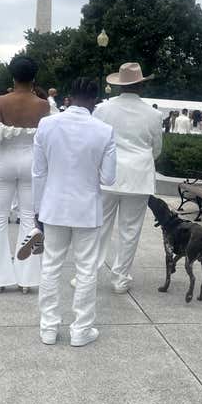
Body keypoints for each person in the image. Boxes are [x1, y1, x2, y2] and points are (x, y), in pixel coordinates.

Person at [31, 78, 117, 347]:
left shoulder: (46, 124)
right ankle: (81, 330)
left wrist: (37, 209)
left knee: (51, 266)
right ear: (95, 100)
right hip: (87, 209)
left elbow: (38, 173)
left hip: (53, 207)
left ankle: (48, 328)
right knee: (86, 269)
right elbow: (109, 178)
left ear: (69, 97)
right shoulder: (104, 130)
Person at [0, 55, 50, 292]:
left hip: (4, 160)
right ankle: (27, 280)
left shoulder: (0, 102)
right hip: (31, 161)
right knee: (28, 217)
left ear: (13, 76)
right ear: (34, 77)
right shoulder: (43, 105)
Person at [91, 62, 163, 293]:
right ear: (140, 85)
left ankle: (89, 273)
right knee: (129, 230)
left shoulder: (102, 109)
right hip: (138, 176)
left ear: (120, 85)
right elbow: (157, 149)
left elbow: (95, 141)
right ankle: (120, 277)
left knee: (99, 226)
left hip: (108, 174)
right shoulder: (153, 114)